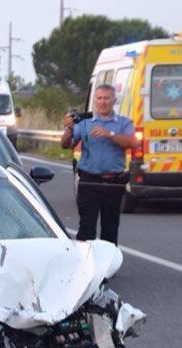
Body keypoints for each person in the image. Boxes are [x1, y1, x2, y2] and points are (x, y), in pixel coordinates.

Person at [60, 84, 139, 244]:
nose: (103, 102)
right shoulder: (85, 123)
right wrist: (69, 129)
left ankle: (108, 267)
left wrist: (109, 134)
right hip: (89, 181)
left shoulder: (123, 123)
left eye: (107, 98)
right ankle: (86, 265)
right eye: (100, 98)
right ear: (95, 101)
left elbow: (133, 142)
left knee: (110, 228)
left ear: (114, 100)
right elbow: (65, 144)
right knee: (86, 227)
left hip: (113, 182)